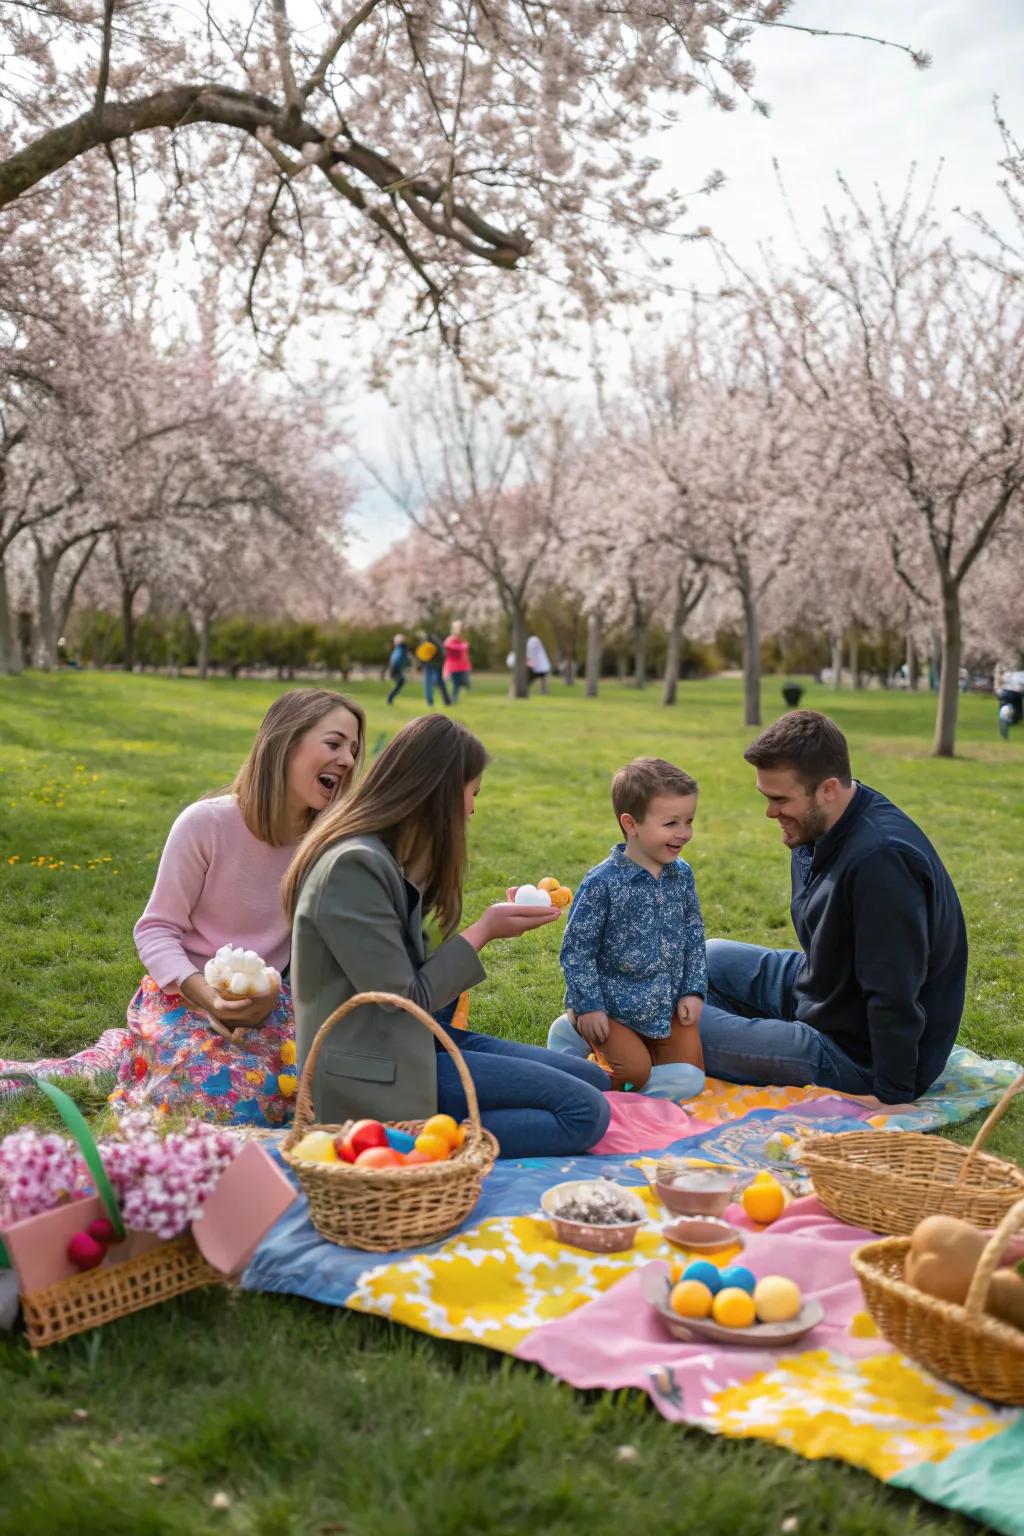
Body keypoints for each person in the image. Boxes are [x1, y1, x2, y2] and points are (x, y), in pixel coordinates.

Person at [0, 690, 366, 1125]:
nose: (346, 759)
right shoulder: (205, 824)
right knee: (219, 1099)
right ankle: (127, 1050)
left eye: (354, 750)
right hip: (182, 993)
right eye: (334, 743)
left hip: (268, 1003)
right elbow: (155, 930)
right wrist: (207, 996)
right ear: (285, 742)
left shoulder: (326, 846)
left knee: (305, 1094)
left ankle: (134, 1050)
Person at [286, 714, 611, 1158]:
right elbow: (405, 999)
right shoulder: (352, 868)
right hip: (377, 1068)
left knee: (593, 1077)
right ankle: (430, 1141)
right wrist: (484, 931)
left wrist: (499, 915)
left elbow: (423, 973)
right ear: (440, 791)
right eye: (472, 792)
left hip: (423, 1039)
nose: (473, 808)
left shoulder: (390, 855)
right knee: (584, 1113)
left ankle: (446, 1126)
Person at [700, 710, 967, 1104]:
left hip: (860, 1053)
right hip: (827, 989)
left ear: (827, 789)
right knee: (706, 956)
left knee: (676, 1024)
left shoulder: (881, 862)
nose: (769, 813)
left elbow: (893, 993)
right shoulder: (822, 823)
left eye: (779, 799)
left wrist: (891, 1095)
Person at [547, 758, 706, 1097]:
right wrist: (589, 1005)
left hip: (664, 1003)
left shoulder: (681, 875)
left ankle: (635, 1090)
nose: (684, 833)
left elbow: (694, 935)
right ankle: (574, 1031)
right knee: (633, 1070)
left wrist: (692, 990)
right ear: (631, 824)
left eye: (689, 821)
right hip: (612, 1006)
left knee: (691, 1076)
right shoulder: (603, 883)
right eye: (671, 823)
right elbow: (577, 950)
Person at [415, 631, 451, 708]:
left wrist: (421, 665)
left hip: (433, 665)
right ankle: (446, 701)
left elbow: (423, 656)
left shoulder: (430, 643)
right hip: (434, 665)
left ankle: (431, 703)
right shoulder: (433, 641)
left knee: (429, 683)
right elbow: (422, 656)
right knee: (439, 682)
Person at [442, 620, 472, 702]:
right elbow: (446, 646)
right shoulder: (450, 639)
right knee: (456, 684)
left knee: (463, 682)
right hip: (453, 666)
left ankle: (457, 696)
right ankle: (453, 699)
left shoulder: (463, 640)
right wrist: (460, 647)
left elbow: (465, 650)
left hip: (463, 666)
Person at [386, 634, 411, 705]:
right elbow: (395, 659)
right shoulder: (400, 649)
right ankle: (390, 698)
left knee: (401, 682)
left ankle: (390, 698)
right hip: (396, 668)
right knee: (401, 682)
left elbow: (396, 659)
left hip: (397, 668)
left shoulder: (401, 648)